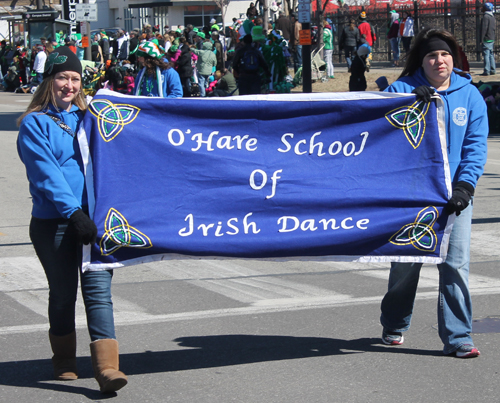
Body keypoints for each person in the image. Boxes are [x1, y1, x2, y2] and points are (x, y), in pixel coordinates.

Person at [16, 46, 128, 393]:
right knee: (64, 293)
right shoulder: (34, 124)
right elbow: (46, 175)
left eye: (75, 79)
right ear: (48, 80)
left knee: (98, 294)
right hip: (56, 225)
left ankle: (107, 368)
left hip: (93, 222)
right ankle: (64, 361)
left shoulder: (90, 118)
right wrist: (73, 213)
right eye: (62, 77)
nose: (69, 85)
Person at [380, 29, 488, 358]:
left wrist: (465, 187)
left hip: (455, 197)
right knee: (405, 266)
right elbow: (377, 131)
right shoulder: (402, 91)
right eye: (431, 56)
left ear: (453, 58)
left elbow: (475, 147)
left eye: (444, 55)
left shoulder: (470, 96)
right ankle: (394, 323)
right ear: (421, 61)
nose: (438, 60)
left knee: (455, 266)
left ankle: (459, 338)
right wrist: (406, 103)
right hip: (412, 196)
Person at [480, 2, 496, 76]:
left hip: (486, 38)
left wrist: (481, 39)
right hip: (491, 37)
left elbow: (484, 28)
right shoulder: (492, 17)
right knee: (491, 54)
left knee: (486, 54)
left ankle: (487, 70)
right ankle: (493, 69)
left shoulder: (486, 17)